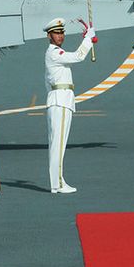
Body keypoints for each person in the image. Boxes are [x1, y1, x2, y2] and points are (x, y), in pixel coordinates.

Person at [44, 17, 97, 193]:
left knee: (58, 144)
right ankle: (57, 184)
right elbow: (78, 56)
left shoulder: (57, 53)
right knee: (58, 145)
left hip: (62, 99)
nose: (60, 36)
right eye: (56, 33)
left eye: (61, 33)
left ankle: (58, 181)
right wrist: (88, 39)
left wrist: (87, 39)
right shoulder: (54, 53)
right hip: (60, 100)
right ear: (49, 36)